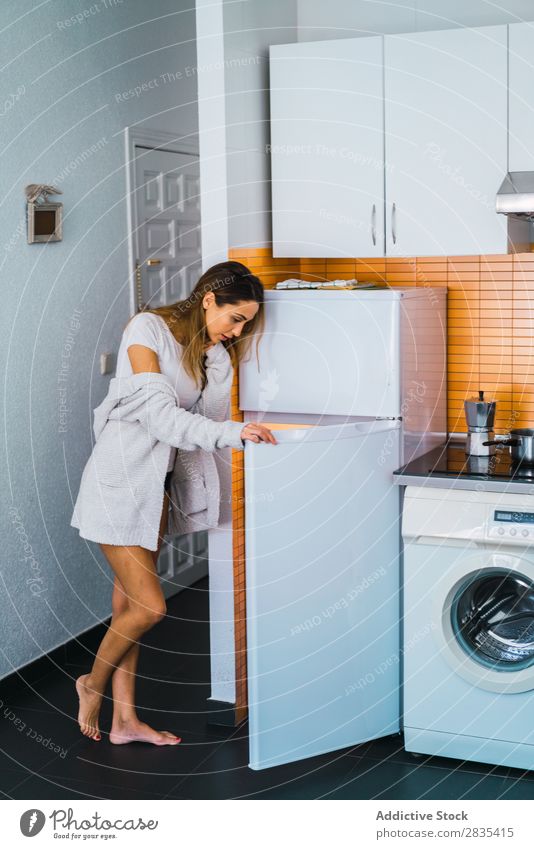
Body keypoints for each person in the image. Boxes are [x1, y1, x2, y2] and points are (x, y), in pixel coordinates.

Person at [72, 261, 277, 746]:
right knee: (149, 606)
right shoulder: (147, 331)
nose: (237, 331)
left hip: (155, 487)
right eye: (235, 319)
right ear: (209, 299)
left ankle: (125, 722)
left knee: (126, 601)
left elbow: (200, 430)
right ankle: (90, 685)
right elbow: (163, 419)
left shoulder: (214, 356)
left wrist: (219, 369)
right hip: (118, 483)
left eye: (245, 324)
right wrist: (235, 432)